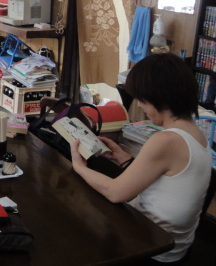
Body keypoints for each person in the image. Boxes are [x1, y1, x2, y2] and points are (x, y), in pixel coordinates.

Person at [70, 53, 212, 264]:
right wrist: (124, 157)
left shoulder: (167, 140)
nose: (140, 106)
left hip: (153, 249)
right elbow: (167, 183)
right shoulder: (195, 133)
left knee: (76, 229)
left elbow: (115, 192)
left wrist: (79, 166)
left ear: (158, 98)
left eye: (142, 99)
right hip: (179, 247)